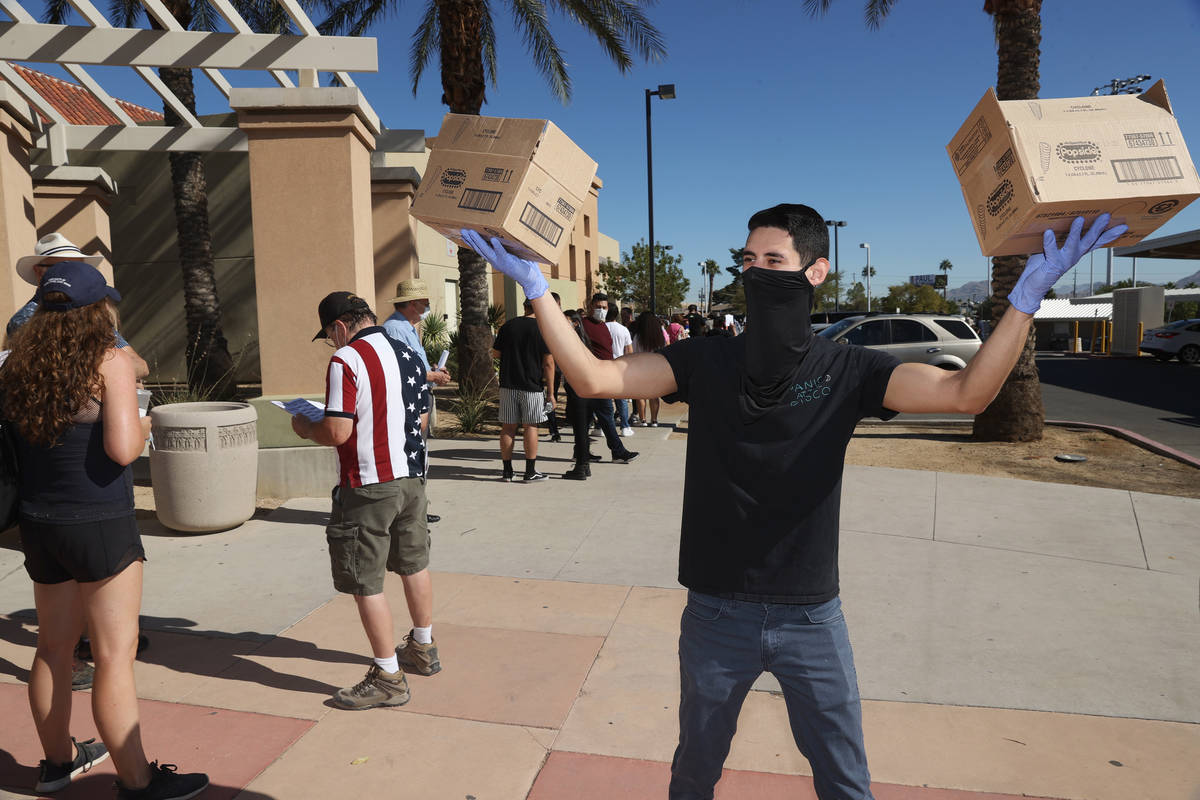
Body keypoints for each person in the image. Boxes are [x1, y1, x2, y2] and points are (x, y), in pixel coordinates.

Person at [462, 205, 1125, 800]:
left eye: (772, 261)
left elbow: (966, 395)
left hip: (812, 617)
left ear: (815, 270)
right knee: (694, 772)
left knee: (844, 779)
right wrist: (538, 290)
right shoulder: (705, 361)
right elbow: (594, 377)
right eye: (747, 261)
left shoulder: (849, 370)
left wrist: (1025, 301)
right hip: (716, 616)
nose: (756, 271)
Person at [1, 262, 208, 799]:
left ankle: (56, 763)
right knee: (114, 656)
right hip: (98, 522)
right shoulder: (108, 359)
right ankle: (138, 781)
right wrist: (142, 423)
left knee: (51, 648)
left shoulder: (17, 362)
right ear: (98, 310)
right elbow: (121, 450)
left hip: (40, 524)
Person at [291, 291, 440, 710]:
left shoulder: (346, 360)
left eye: (329, 335)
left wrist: (305, 427)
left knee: (366, 579)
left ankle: (388, 676)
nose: (331, 343)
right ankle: (423, 648)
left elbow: (337, 432)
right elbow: (423, 418)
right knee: (414, 563)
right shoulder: (409, 353)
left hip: (369, 483)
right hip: (413, 478)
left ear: (339, 327)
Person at [9, 233, 149, 378]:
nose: (73, 274)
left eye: (79, 267)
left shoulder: (90, 311)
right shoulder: (25, 320)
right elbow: (61, 374)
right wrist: (120, 374)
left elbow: (141, 365)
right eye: (61, 267)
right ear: (38, 272)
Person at [382, 278, 451, 525]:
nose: (427, 306)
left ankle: (417, 507)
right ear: (412, 304)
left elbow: (412, 365)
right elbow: (399, 370)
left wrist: (432, 371)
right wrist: (431, 375)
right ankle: (411, 510)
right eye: (425, 302)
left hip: (419, 396)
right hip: (410, 400)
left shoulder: (406, 327)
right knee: (412, 456)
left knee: (420, 455)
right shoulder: (397, 329)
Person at [491, 298, 553, 482]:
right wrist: (550, 392)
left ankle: (507, 471)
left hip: (508, 384)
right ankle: (530, 471)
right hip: (532, 386)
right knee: (531, 426)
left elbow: (495, 353)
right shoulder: (542, 329)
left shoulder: (508, 326)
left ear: (524, 308)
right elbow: (548, 362)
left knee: (508, 427)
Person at [578, 293, 638, 466]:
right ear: (590, 306)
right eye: (598, 307)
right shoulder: (583, 325)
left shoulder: (603, 326)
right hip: (594, 378)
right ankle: (618, 452)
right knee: (606, 414)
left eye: (604, 307)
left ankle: (581, 452)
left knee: (587, 418)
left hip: (604, 376)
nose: (601, 310)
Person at [631, 311, 667, 427]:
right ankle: (654, 420)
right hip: (655, 367)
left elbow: (634, 353)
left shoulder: (637, 336)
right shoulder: (659, 335)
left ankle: (643, 420)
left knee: (641, 396)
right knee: (654, 395)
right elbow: (664, 350)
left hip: (641, 368)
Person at [605, 304, 635, 436]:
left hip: (603, 365)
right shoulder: (623, 330)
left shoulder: (601, 328)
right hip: (620, 366)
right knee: (621, 398)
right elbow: (629, 351)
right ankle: (624, 426)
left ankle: (602, 426)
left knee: (604, 399)